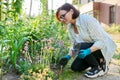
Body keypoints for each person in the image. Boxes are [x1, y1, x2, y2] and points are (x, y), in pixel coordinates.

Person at [55, 3, 117, 78]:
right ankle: (97, 61)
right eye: (60, 18)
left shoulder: (87, 20)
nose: (62, 20)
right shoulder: (70, 27)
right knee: (75, 67)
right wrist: (68, 57)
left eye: (63, 16)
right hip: (88, 48)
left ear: (71, 11)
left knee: (80, 46)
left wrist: (88, 51)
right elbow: (74, 44)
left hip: (104, 48)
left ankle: (99, 67)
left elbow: (101, 41)